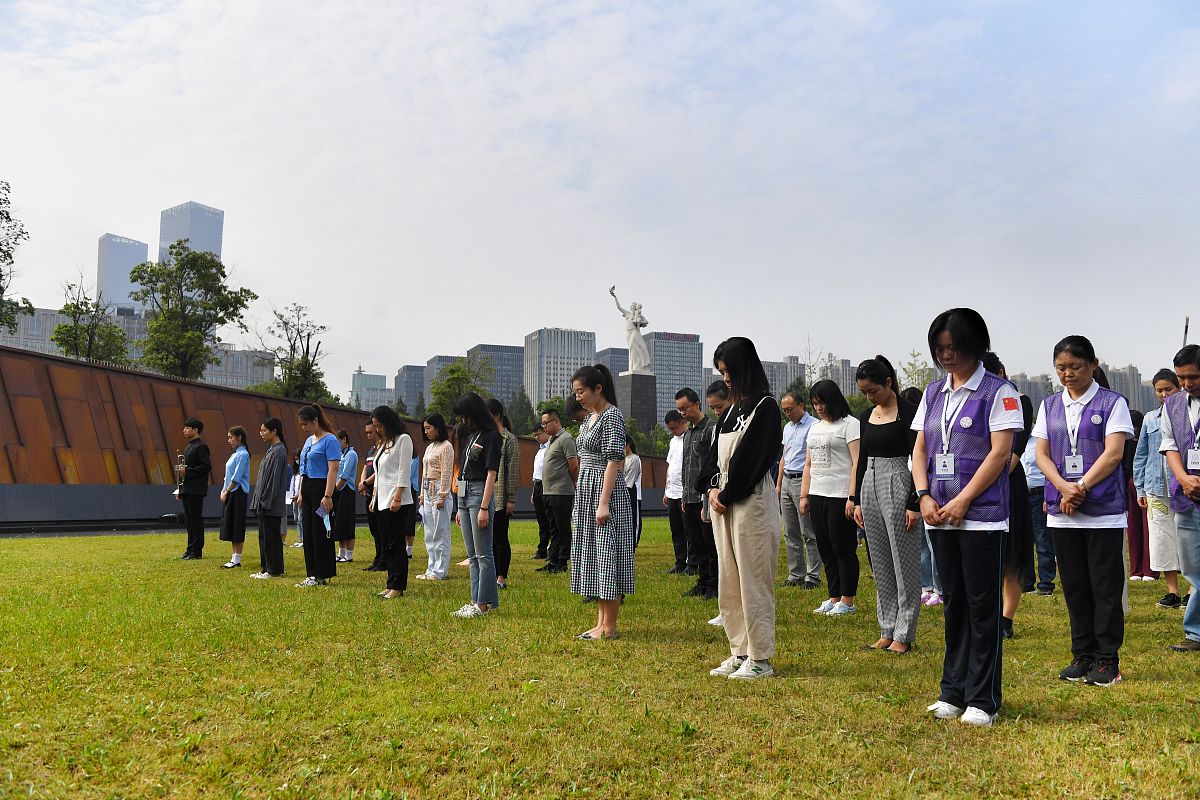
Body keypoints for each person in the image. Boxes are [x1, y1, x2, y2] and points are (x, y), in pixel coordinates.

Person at [912, 308, 1023, 727]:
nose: (947, 355)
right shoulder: (933, 393)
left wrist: (964, 500)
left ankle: (983, 699)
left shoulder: (999, 391)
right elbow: (920, 448)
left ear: (975, 345)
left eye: (954, 347)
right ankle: (952, 692)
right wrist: (924, 495)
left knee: (982, 607)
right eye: (940, 348)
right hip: (939, 516)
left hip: (981, 518)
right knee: (954, 603)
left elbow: (1000, 453)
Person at [1034, 335, 1134, 686]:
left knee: (1105, 586)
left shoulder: (1112, 403)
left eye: (1074, 366)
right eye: (1061, 368)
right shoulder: (1049, 405)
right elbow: (1042, 454)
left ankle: (1107, 659)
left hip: (1102, 509)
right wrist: (1063, 487)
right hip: (1062, 511)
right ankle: (1083, 654)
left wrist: (1080, 487)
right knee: (1075, 585)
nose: (1067, 374)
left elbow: (1113, 453)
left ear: (1093, 364)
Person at [704, 337, 782, 679]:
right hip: (722, 501)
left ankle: (760, 657)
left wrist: (728, 493)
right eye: (721, 371)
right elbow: (711, 458)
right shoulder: (730, 411)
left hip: (751, 503)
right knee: (729, 578)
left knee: (754, 578)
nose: (725, 378)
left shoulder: (765, 406)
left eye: (728, 370)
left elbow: (755, 458)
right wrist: (710, 488)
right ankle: (739, 650)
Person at [852, 356, 921, 653]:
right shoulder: (866, 416)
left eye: (873, 391)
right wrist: (855, 499)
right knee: (879, 560)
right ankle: (887, 627)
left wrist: (914, 502)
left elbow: (920, 459)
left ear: (888, 383)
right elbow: (861, 460)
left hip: (898, 479)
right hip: (869, 482)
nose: (870, 397)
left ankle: (904, 633)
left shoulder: (909, 414)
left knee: (903, 561)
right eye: (864, 392)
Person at [570, 364, 636, 639]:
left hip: (604, 490)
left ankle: (610, 627)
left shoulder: (612, 416)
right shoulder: (589, 418)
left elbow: (613, 460)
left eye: (581, 391)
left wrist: (604, 502)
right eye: (575, 392)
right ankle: (600, 623)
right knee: (596, 555)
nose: (577, 397)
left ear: (598, 388)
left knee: (608, 554)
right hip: (587, 490)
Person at [982, 352, 1036, 640]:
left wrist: (987, 479)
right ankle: (986, 615)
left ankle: (1006, 618)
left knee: (1013, 554)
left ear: (1001, 373)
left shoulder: (1018, 401)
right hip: (974, 487)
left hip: (1007, 482)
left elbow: (1014, 450)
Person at [801, 380, 861, 617]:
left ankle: (847, 600)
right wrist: (804, 494)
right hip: (818, 493)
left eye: (822, 403)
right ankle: (834, 596)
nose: (819, 408)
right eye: (815, 403)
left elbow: (857, 462)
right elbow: (808, 463)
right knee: (825, 548)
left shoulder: (850, 424)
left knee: (842, 548)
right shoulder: (815, 427)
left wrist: (852, 497)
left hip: (840, 495)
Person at [1135, 369, 1188, 607]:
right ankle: (1172, 591)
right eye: (1159, 390)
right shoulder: (1150, 419)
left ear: (1179, 388)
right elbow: (1141, 455)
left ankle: (1193, 590)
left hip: (1185, 488)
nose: (1164, 394)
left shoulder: (1189, 416)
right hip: (1156, 488)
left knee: (1188, 538)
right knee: (1161, 539)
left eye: (1169, 389)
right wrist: (1140, 488)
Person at [1159, 345, 1200, 653]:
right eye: (1181, 378)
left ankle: (1195, 632)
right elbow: (1170, 445)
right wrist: (1184, 478)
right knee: (1193, 567)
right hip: (1186, 496)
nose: (1187, 384)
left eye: (1193, 377)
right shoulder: (1172, 404)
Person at [453, 393, 501, 617]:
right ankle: (475, 601)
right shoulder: (472, 436)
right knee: (472, 555)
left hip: (479, 493)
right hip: (464, 494)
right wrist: (459, 507)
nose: (464, 421)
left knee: (483, 554)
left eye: (466, 417)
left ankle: (482, 604)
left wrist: (484, 507)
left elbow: (492, 473)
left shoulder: (491, 436)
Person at [902, 386, 943, 607]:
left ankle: (939, 588)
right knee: (922, 547)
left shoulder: (932, 432)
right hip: (917, 497)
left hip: (930, 497)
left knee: (934, 546)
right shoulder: (910, 436)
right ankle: (926, 586)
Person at [777, 390, 821, 589]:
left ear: (801, 406)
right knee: (790, 531)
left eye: (790, 409)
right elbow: (784, 457)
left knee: (808, 531)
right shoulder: (787, 428)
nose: (787, 413)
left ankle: (812, 576)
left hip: (803, 481)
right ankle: (795, 574)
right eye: (784, 410)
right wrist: (779, 484)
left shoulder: (814, 426)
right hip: (787, 479)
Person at [295, 405, 342, 587]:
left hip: (322, 490)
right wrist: (301, 492)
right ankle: (312, 573)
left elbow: (333, 469)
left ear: (315, 421)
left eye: (306, 424)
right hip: (307, 489)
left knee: (320, 531)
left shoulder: (330, 440)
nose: (303, 428)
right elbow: (303, 468)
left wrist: (328, 495)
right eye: (301, 425)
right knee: (308, 531)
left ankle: (322, 573)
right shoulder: (309, 441)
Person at [678, 388, 718, 600]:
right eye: (679, 410)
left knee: (710, 543)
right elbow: (686, 466)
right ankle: (702, 582)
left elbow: (713, 465)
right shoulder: (688, 433)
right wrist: (684, 495)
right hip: (689, 497)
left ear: (697, 404)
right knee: (696, 544)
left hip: (705, 496)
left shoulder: (711, 429)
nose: (682, 413)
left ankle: (714, 584)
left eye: (685, 408)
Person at [370, 405, 413, 600]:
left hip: (397, 501)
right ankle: (390, 583)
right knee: (387, 544)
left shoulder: (403, 440)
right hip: (382, 500)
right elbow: (378, 474)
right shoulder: (384, 444)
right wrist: (374, 497)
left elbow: (403, 471)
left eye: (379, 426)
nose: (378, 430)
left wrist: (397, 497)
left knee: (396, 544)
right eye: (375, 426)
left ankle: (398, 585)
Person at [702, 379, 732, 628]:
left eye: (719, 406)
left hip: (735, 496)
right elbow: (711, 465)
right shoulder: (717, 428)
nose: (716, 412)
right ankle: (727, 608)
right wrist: (710, 491)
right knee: (721, 555)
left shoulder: (745, 422)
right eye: (712, 408)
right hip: (716, 494)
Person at [539, 408, 579, 575]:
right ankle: (553, 559)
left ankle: (562, 561)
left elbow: (574, 465)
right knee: (553, 527)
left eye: (546, 423)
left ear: (556, 421)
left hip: (561, 491)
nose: (544, 426)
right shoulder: (552, 440)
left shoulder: (566, 439)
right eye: (542, 423)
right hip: (549, 491)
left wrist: (575, 484)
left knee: (562, 527)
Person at [416, 413, 454, 581]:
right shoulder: (430, 447)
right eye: (424, 428)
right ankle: (431, 568)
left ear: (437, 428)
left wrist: (443, 495)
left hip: (439, 490)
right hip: (428, 491)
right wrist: (422, 495)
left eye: (428, 428)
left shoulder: (446, 446)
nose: (426, 431)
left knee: (441, 532)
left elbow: (446, 472)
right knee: (429, 533)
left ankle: (440, 570)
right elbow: (424, 473)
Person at [249, 418, 289, 578]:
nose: (261, 433)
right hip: (264, 503)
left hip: (270, 504)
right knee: (265, 537)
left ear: (274, 431)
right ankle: (266, 568)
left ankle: (274, 570)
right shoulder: (273, 449)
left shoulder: (279, 451)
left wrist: (265, 501)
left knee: (271, 538)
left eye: (264, 430)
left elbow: (274, 481)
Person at [488, 399, 519, 590]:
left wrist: (511, 499)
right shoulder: (485, 437)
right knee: (488, 539)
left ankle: (501, 577)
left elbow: (513, 471)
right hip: (483, 496)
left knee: (500, 538)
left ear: (497, 415)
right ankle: (490, 574)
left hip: (500, 496)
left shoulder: (509, 439)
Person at [1022, 435, 1055, 595]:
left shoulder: (1040, 440)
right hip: (1021, 494)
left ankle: (1046, 584)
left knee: (1043, 540)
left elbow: (1051, 467)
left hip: (1039, 493)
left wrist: (1048, 496)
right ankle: (1026, 583)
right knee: (1024, 540)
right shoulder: (1013, 440)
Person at [175, 417, 211, 560]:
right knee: (189, 520)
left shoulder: (201, 446)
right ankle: (190, 548)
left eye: (187, 428)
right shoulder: (188, 446)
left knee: (195, 520)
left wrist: (187, 471)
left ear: (195, 430)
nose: (184, 430)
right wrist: (179, 488)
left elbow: (206, 467)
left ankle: (196, 550)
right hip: (187, 488)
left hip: (196, 489)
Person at [1126, 410, 1155, 581]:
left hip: (1147, 483)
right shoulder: (1124, 442)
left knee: (1149, 526)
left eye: (1135, 426)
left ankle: (1150, 569)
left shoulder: (1148, 440)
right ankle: (1136, 569)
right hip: (1129, 483)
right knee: (1133, 527)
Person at [218, 426, 251, 569]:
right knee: (231, 524)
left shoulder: (243, 454)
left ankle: (237, 559)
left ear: (239, 437)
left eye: (231, 437)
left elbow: (237, 477)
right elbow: (228, 476)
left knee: (237, 524)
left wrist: (227, 491)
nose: (229, 440)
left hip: (238, 492)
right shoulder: (235, 454)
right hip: (231, 491)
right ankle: (234, 558)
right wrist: (223, 490)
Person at [663, 409, 688, 573]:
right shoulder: (673, 441)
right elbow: (670, 466)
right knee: (676, 529)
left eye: (674, 427)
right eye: (669, 429)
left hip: (685, 492)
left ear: (682, 422)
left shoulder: (690, 438)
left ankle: (692, 562)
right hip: (672, 492)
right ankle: (680, 561)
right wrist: (666, 489)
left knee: (689, 530)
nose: (672, 431)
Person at [360, 422, 384, 571]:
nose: (368, 435)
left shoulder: (383, 449)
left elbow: (379, 470)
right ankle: (377, 558)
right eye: (366, 433)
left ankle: (383, 559)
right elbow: (365, 467)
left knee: (381, 527)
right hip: (369, 493)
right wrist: (362, 482)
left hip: (379, 492)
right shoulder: (371, 450)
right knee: (374, 527)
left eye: (371, 432)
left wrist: (366, 482)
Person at [332, 430, 359, 563]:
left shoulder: (351, 454)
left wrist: (334, 490)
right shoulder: (341, 455)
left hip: (346, 491)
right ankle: (341, 553)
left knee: (347, 523)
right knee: (339, 523)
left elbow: (344, 475)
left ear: (344, 439)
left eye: (338, 442)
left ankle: (349, 555)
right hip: (338, 491)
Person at [531, 424, 552, 559]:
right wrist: (534, 491)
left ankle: (552, 549)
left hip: (548, 485)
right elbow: (536, 473)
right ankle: (542, 549)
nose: (536, 437)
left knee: (550, 519)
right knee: (541, 520)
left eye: (538, 434)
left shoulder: (551, 448)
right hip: (538, 486)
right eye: (534, 435)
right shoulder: (539, 451)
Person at [624, 437, 643, 544]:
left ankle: (633, 542)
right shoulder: (621, 459)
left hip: (632, 493)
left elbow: (629, 482)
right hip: (623, 492)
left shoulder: (634, 459)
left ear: (628, 445)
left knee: (633, 519)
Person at [288, 449, 304, 548]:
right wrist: (291, 496)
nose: (296, 461)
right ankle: (300, 538)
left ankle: (304, 539)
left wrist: (297, 495)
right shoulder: (295, 472)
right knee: (296, 518)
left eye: (298, 459)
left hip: (300, 498)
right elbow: (292, 485)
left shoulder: (303, 471)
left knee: (301, 518)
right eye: (295, 459)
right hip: (294, 499)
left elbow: (302, 486)